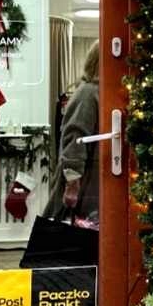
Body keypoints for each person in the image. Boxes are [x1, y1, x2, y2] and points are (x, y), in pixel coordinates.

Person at [43, 44, 99, 222]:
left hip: (89, 181)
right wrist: (72, 182)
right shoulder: (88, 93)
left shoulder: (95, 92)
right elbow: (75, 137)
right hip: (82, 182)